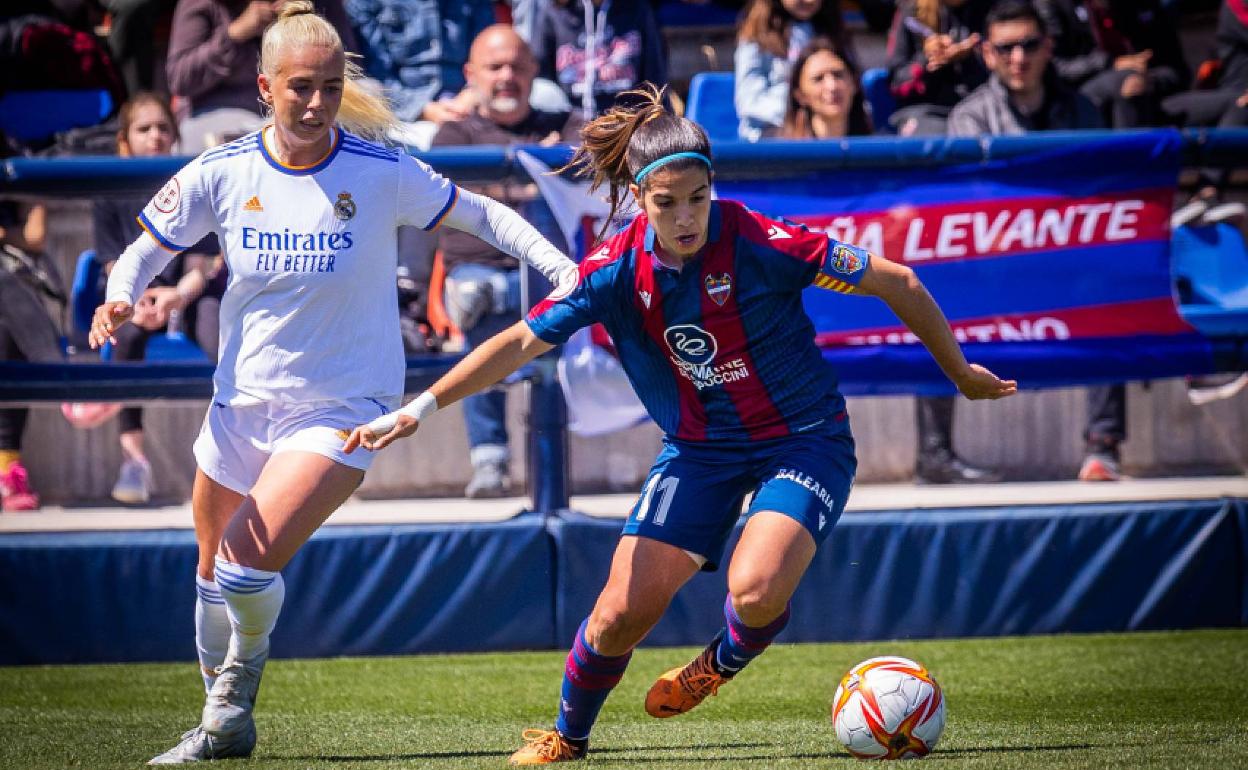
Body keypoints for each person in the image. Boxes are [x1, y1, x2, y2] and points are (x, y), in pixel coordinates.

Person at [343, 83, 1017, 765]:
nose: (687, 217)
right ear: (639, 198)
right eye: (667, 204)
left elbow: (896, 280)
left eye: (698, 198)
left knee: (754, 591)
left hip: (804, 440)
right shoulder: (611, 272)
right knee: (616, 617)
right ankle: (567, 738)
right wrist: (418, 408)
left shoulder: (761, 238)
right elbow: (518, 343)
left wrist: (960, 374)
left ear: (713, 186)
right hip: (700, 451)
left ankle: (718, 663)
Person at [89, 3, 576, 762]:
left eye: (326, 87)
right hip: (240, 405)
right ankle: (222, 722)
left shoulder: (381, 172)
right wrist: (119, 294)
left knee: (246, 563)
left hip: (344, 410)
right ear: (264, 86)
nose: (315, 103)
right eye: (298, 88)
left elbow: (485, 217)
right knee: (210, 575)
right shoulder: (224, 169)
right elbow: (146, 247)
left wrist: (563, 270)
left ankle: (232, 701)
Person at [948, 0, 1121, 481]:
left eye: (1028, 45)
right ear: (986, 54)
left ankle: (1103, 447)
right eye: (1005, 48)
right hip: (992, 268)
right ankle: (935, 455)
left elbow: (1098, 195)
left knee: (1109, 290)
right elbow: (972, 209)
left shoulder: (1082, 109)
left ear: (1048, 47)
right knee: (926, 296)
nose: (1018, 57)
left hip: (1067, 264)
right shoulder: (969, 117)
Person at [431, 24, 579, 497]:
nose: (507, 76)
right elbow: (461, 211)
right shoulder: (452, 136)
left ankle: (547, 469)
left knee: (574, 296)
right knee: (475, 296)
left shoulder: (567, 122)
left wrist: (497, 191)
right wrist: (537, 182)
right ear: (471, 74)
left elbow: (588, 175)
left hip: (554, 279)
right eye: (495, 67)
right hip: (479, 278)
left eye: (517, 65)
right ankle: (489, 461)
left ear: (536, 71)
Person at [92, 93, 226, 504]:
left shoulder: (191, 184)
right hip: (135, 297)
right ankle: (133, 461)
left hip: (187, 296)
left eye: (163, 128)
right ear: (124, 140)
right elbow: (114, 262)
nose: (155, 136)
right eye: (144, 128)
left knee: (218, 333)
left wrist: (175, 297)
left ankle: (234, 454)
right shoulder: (109, 192)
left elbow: (201, 267)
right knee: (126, 338)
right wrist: (135, 301)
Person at [167, 0, 356, 152]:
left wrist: (301, 23)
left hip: (301, 108)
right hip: (224, 110)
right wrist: (237, 32)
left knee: (370, 91)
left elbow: (350, 65)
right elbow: (179, 78)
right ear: (264, 87)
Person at [1035, 0, 1189, 130]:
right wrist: (1110, 63)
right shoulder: (1054, 5)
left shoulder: (1142, 5)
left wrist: (1152, 81)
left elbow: (1178, 71)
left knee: (1212, 108)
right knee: (1126, 79)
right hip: (1080, 94)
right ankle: (1124, 161)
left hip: (1152, 93)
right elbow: (1055, 66)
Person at [0, 201, 62, 512]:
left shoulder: (13, 157)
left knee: (5, 335)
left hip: (15, 287)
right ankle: (61, 377)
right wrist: (11, 234)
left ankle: (7, 468)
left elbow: (35, 234)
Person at [735, 0, 853, 141]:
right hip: (768, 140)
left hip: (822, 133)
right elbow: (749, 102)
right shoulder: (757, 35)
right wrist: (795, 111)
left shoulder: (832, 31)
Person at [530, 0, 668, 119]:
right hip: (569, 131)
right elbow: (542, 82)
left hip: (627, 128)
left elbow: (655, 80)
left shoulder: (637, 9)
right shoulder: (555, 11)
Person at [885, 0, 992, 135]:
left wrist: (974, 54)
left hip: (983, 106)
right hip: (927, 111)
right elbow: (896, 82)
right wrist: (927, 59)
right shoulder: (912, 13)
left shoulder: (994, 11)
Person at [779, 36, 871, 138]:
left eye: (838, 75)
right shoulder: (778, 151)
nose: (832, 86)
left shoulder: (879, 148)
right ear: (800, 95)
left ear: (854, 84)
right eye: (818, 79)